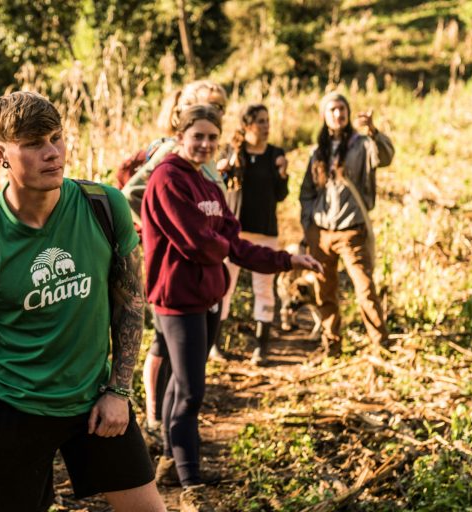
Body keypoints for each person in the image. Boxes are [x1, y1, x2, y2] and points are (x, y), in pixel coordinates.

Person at [0, 91, 165, 512]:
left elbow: (131, 305)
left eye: (56, 137)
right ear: (0, 154)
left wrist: (119, 390)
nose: (52, 153)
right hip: (13, 410)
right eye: (33, 144)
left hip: (96, 401)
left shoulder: (103, 206)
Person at [141, 105, 322, 511]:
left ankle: (171, 460)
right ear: (180, 134)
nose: (204, 144)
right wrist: (221, 244)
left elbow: (232, 240)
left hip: (208, 299)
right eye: (197, 136)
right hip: (177, 300)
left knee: (179, 384)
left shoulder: (208, 184)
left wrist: (286, 260)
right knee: (191, 391)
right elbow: (197, 242)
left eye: (211, 137)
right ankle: (191, 484)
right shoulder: (168, 179)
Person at [117, 80, 229, 437]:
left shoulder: (203, 158)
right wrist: (157, 230)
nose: (212, 114)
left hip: (204, 267)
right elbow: (132, 193)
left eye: (219, 109)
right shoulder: (169, 155)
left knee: (180, 361)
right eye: (205, 106)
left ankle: (170, 429)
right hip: (176, 269)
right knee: (163, 345)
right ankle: (156, 417)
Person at [299, 92, 394, 358]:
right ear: (324, 116)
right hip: (322, 233)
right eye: (332, 110)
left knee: (364, 289)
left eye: (342, 109)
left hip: (352, 230)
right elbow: (306, 191)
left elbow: (385, 156)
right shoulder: (318, 151)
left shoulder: (362, 144)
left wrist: (374, 130)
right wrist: (309, 224)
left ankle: (380, 345)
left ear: (348, 112)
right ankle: (332, 344)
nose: (338, 114)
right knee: (325, 290)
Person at [215, 104, 290, 365]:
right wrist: (224, 170)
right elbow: (219, 188)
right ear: (247, 125)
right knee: (224, 286)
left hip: (266, 231)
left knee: (264, 289)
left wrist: (282, 174)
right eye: (260, 121)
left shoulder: (275, 154)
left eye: (268, 121)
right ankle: (215, 344)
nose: (266, 126)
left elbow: (280, 195)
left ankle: (261, 348)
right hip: (234, 232)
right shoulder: (232, 152)